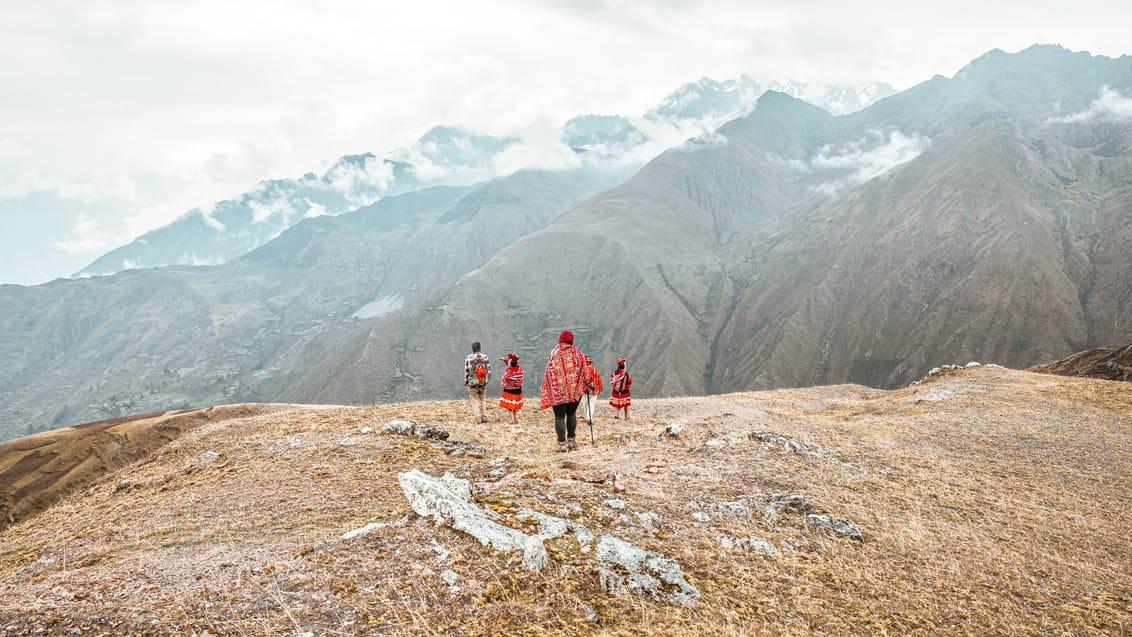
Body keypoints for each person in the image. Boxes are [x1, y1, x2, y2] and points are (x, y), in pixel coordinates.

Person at [539, 330, 587, 452]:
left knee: (559, 416)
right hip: (574, 391)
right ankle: (571, 440)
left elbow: (549, 372)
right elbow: (585, 373)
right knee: (571, 414)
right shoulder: (578, 354)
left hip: (557, 391)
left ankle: (562, 444)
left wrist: (548, 388)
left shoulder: (554, 354)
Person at [464, 342, 491, 423]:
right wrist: (486, 381)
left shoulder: (468, 358)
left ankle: (477, 418)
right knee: (483, 399)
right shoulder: (485, 357)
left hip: (472, 383)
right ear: (480, 348)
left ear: (472, 348)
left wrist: (466, 381)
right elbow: (488, 370)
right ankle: (484, 417)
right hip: (482, 383)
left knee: (474, 400)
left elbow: (467, 371)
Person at [498, 353, 525, 424]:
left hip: (509, 391)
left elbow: (505, 377)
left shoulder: (509, 371)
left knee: (509, 406)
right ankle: (515, 419)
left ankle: (512, 420)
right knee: (515, 406)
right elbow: (510, 365)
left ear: (510, 364)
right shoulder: (520, 369)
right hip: (518, 390)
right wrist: (504, 360)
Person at [580, 355, 603, 424]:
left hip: (585, 390)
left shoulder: (582, 371)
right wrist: (600, 387)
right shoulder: (595, 370)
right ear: (590, 362)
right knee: (591, 404)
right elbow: (599, 379)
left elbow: (580, 381)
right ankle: (589, 417)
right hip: (594, 390)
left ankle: (586, 416)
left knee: (585, 403)